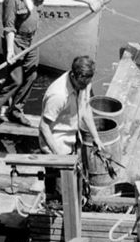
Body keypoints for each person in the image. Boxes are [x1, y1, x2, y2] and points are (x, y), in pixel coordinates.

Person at [38, 55, 101, 200]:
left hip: (72, 138)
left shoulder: (84, 83)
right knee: (61, 193)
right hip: (56, 145)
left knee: (75, 183)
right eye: (82, 83)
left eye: (88, 82)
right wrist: (59, 156)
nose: (85, 86)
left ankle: (75, 202)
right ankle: (55, 208)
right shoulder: (58, 95)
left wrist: (95, 137)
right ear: (73, 75)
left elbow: (85, 108)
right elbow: (44, 127)